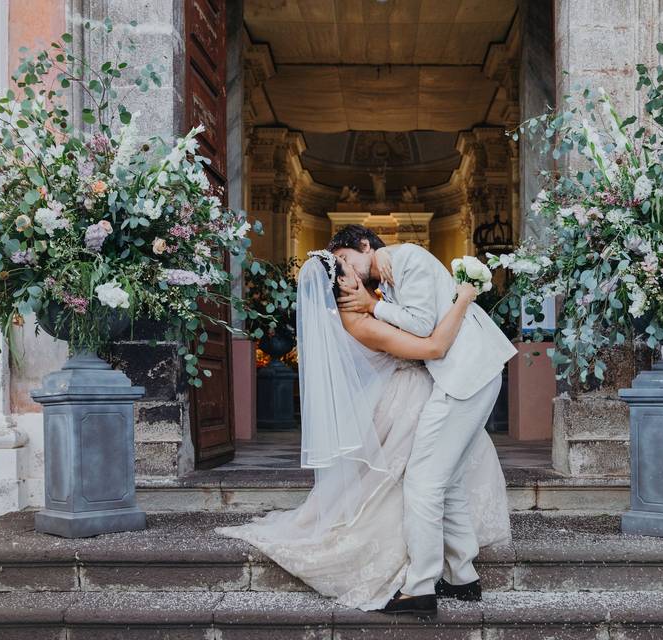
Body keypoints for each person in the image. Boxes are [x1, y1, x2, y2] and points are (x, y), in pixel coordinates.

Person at [215, 247, 510, 613]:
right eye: (347, 265)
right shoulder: (361, 316)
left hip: (457, 383)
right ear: (341, 281)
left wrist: (378, 288)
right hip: (442, 384)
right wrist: (463, 298)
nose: (358, 268)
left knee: (433, 482)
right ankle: (441, 581)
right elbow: (431, 345)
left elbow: (416, 321)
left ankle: (448, 578)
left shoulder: (374, 293)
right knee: (431, 483)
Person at [331, 225, 517, 615]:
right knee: (445, 481)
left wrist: (371, 305)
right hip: (470, 374)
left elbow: (421, 325)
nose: (344, 270)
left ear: (365, 245)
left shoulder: (407, 257)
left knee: (422, 481)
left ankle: (419, 587)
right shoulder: (392, 274)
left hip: (462, 376)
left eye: (346, 259)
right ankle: (462, 577)